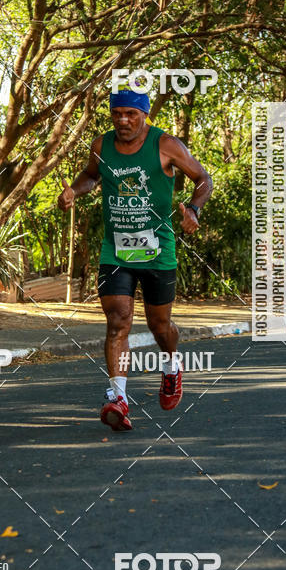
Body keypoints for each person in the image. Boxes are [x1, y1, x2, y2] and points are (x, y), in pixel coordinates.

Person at [58, 89, 212, 431]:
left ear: (144, 115)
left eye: (131, 114)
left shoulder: (166, 145)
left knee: (160, 326)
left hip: (159, 249)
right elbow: (91, 176)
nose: (123, 120)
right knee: (118, 320)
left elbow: (203, 178)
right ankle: (118, 397)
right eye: (117, 114)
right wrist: (74, 191)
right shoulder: (102, 145)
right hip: (116, 249)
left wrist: (195, 210)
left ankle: (171, 365)